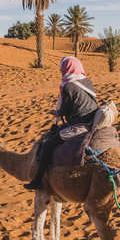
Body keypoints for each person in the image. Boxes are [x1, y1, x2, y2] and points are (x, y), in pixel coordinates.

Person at [24, 56, 99, 190]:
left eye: (62, 70)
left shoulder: (68, 86)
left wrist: (57, 113)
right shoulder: (87, 82)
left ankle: (38, 181)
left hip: (79, 125)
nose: (62, 73)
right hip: (93, 121)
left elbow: (65, 110)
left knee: (48, 145)